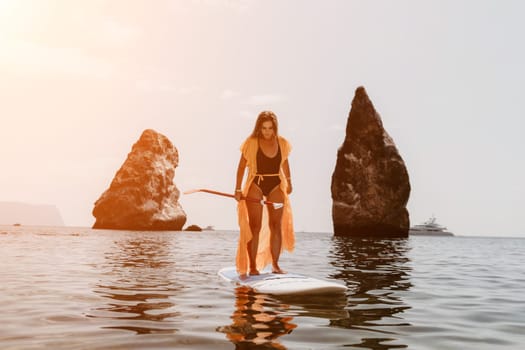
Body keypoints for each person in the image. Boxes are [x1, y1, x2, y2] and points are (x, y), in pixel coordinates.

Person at [234, 111, 295, 278]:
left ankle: (275, 265)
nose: (267, 132)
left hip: (276, 184)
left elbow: (285, 162)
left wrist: (289, 181)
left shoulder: (282, 143)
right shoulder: (251, 142)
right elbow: (241, 167)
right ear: (259, 128)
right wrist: (238, 189)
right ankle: (253, 266)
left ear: (275, 128)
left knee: (276, 226)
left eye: (270, 128)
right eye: (264, 128)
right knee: (255, 227)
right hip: (256, 184)